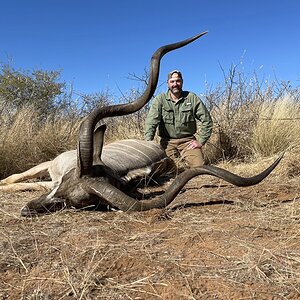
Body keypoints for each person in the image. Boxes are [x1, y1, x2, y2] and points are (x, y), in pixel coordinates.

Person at [144, 70, 213, 169]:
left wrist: (201, 141)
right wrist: (148, 144)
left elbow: (207, 120)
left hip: (188, 142)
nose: (175, 84)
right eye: (172, 81)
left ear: (182, 82)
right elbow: (151, 123)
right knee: (167, 169)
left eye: (178, 81)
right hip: (167, 143)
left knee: (199, 167)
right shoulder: (160, 100)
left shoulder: (191, 98)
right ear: (168, 83)